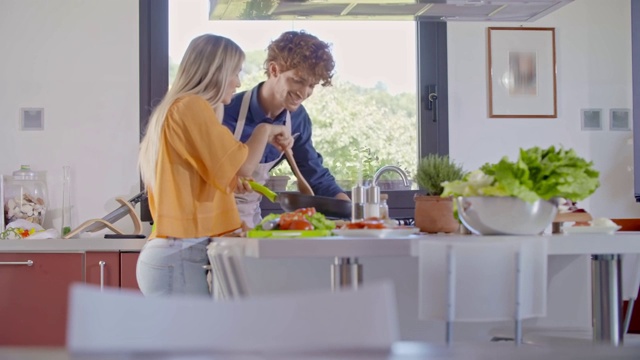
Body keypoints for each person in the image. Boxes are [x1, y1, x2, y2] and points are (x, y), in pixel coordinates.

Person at [136, 34, 292, 297]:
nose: (238, 82)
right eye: (235, 72)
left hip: (178, 257)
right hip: (178, 259)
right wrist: (264, 130)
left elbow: (214, 175)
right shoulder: (190, 107)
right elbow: (242, 165)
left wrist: (230, 184)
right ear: (216, 72)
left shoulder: (179, 109)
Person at [223, 30, 350, 228]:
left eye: (312, 85)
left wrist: (352, 212)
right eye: (298, 80)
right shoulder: (228, 111)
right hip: (212, 221)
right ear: (274, 70)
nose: (304, 93)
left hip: (249, 224)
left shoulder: (298, 119)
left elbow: (314, 174)